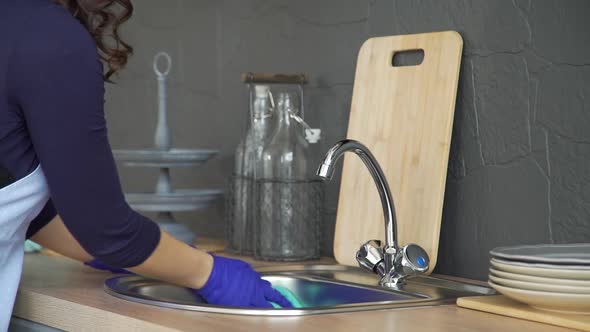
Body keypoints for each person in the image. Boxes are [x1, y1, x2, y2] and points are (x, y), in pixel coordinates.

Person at [0, 0, 291, 329]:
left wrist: (141, 255)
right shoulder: (49, 38)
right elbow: (105, 229)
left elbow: (20, 202)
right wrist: (207, 272)